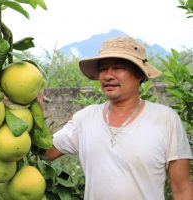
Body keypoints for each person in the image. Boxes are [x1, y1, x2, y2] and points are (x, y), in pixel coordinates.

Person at [45, 36, 193, 200]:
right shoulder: (85, 118)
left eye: (117, 67)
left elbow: (182, 190)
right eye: (103, 69)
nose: (108, 75)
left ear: (139, 74)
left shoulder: (165, 119)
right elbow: (45, 152)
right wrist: (29, 107)